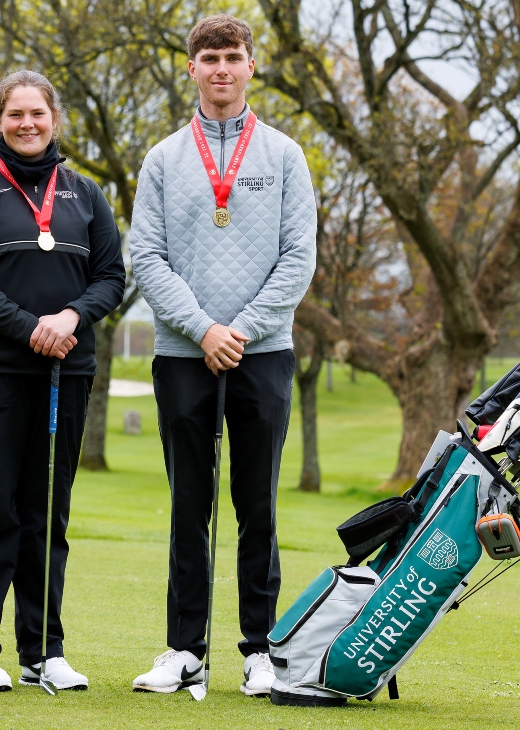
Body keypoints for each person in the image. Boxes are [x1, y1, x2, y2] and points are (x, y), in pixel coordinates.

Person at [128, 15, 317, 697]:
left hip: (262, 353)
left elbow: (299, 258)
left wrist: (239, 329)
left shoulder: (285, 156)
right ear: (192, 69)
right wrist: (204, 329)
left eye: (232, 57)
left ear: (250, 66)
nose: (221, 69)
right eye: (209, 58)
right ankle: (184, 649)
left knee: (257, 505)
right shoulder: (162, 160)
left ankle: (260, 649)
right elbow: (144, 256)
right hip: (183, 353)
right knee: (189, 505)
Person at [0, 70, 126, 692]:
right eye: (15, 114)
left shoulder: (85, 193)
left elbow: (111, 277)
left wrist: (70, 317)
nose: (27, 124)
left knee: (48, 511)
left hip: (64, 374)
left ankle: (44, 651)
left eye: (37, 114)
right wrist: (29, 328)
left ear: (54, 119)